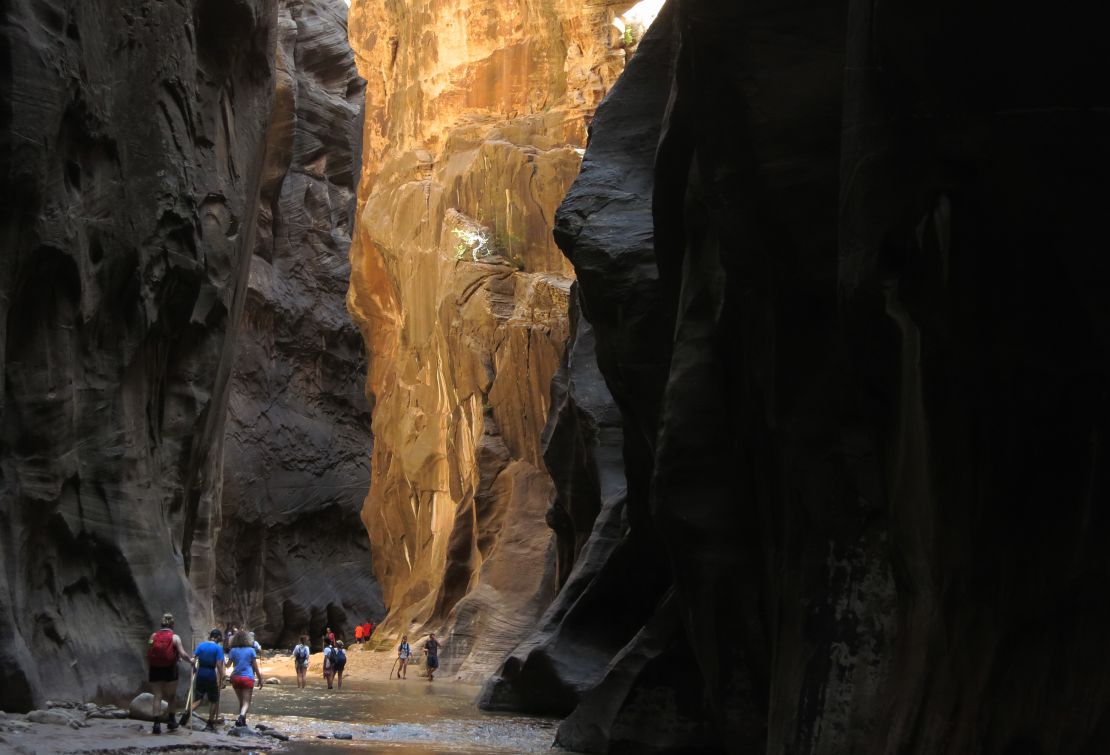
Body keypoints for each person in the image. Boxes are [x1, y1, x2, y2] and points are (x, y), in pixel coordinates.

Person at [147, 612, 192, 735]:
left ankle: (156, 724)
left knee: (157, 696)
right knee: (172, 696)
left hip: (155, 668)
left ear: (161, 624)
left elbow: (149, 649)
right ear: (173, 624)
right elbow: (182, 653)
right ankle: (171, 721)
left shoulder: (153, 636)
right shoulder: (175, 637)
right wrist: (191, 661)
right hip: (170, 669)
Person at [180, 629, 225, 731]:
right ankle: (210, 723)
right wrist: (222, 676)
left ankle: (187, 713)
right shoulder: (218, 648)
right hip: (210, 674)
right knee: (214, 700)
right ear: (217, 637)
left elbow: (193, 659)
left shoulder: (201, 645)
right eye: (220, 637)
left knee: (198, 699)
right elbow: (218, 664)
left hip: (200, 673)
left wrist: (194, 668)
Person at [226, 629, 263, 728]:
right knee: (246, 702)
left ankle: (242, 722)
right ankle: (241, 717)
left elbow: (228, 665)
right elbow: (255, 667)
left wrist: (221, 661)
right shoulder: (251, 650)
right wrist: (260, 678)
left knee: (241, 702)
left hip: (235, 678)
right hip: (248, 677)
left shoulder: (233, 650)